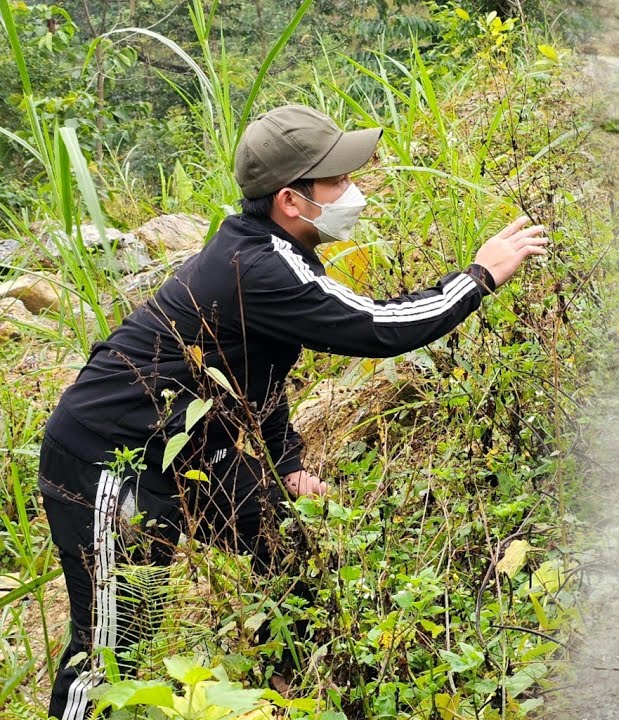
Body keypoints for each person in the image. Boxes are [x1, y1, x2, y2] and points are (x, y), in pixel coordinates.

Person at [38, 104, 549, 720]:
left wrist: (286, 461)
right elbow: (378, 328)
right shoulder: (261, 266)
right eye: (337, 181)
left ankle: (302, 695)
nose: (353, 191)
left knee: (289, 551)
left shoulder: (274, 251)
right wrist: (479, 276)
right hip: (108, 461)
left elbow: (257, 370)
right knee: (113, 650)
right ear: (290, 199)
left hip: (199, 452)